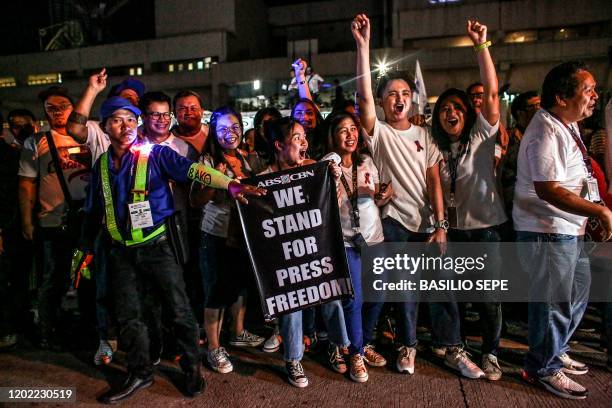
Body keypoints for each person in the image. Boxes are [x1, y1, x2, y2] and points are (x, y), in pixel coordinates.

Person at [83, 97, 264, 403]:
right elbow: (96, 210)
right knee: (130, 314)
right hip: (121, 251)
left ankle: (192, 367)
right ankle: (140, 371)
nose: (125, 126)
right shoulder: (102, 164)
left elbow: (194, 171)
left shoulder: (155, 154)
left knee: (179, 309)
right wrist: (86, 250)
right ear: (104, 127)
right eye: (116, 120)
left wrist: (229, 184)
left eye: (130, 119)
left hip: (158, 246)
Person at [352, 13, 484, 378]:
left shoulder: (425, 136)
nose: (399, 99)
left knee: (443, 288)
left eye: (404, 94)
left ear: (412, 101)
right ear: (383, 101)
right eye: (392, 94)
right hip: (394, 223)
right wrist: (363, 46)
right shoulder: (378, 133)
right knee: (406, 290)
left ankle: (453, 348)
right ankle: (407, 345)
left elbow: (434, 182)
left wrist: (441, 225)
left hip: (428, 225)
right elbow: (362, 95)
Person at [514, 60, 612, 399]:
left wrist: (589, 215)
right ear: (561, 97)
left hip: (569, 228)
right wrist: (599, 210)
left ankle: (553, 351)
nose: (595, 96)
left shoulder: (566, 124)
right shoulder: (545, 131)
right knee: (553, 302)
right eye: (588, 91)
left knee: (577, 296)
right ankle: (542, 367)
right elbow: (549, 189)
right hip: (547, 231)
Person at [431, 19, 505, 381]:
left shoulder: (482, 135)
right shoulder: (436, 149)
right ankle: (456, 348)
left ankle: (490, 353)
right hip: (453, 232)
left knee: (488, 299)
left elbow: (491, 94)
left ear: (468, 112)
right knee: (454, 296)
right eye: (444, 108)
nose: (451, 113)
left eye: (457, 107)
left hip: (485, 230)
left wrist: (481, 45)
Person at [260, 116, 350, 387]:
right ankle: (293, 359)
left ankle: (338, 345)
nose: (304, 142)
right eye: (296, 138)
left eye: (304, 137)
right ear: (278, 145)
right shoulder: (264, 180)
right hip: (287, 257)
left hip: (316, 250)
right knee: (291, 306)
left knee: (331, 294)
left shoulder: (313, 169)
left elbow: (336, 204)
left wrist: (334, 181)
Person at [190, 106, 265, 375]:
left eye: (235, 127)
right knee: (215, 291)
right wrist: (216, 181)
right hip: (216, 234)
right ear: (213, 131)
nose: (230, 133)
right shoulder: (207, 161)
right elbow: (195, 201)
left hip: (244, 235)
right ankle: (213, 347)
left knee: (239, 286)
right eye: (223, 128)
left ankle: (238, 331)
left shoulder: (249, 158)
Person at [18, 86, 92, 350]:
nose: (58, 111)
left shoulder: (89, 134)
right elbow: (27, 184)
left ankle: (87, 329)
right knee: (53, 278)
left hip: (88, 221)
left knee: (87, 279)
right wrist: (27, 221)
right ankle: (49, 332)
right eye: (51, 107)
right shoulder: (36, 142)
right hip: (53, 222)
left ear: (74, 108)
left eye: (63, 105)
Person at [327, 112, 392, 382]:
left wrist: (383, 195)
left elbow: (377, 195)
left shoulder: (366, 162)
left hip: (374, 239)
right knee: (354, 300)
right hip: (345, 241)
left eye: (353, 129)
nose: (350, 134)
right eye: (343, 130)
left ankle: (364, 343)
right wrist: (329, 176)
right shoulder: (328, 163)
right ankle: (354, 352)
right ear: (332, 136)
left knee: (379, 294)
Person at [0, 110, 37, 349]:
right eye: (15, 126)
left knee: (33, 276)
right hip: (13, 224)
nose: (20, 130)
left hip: (41, 220)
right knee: (13, 277)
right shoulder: (8, 154)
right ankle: (12, 325)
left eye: (25, 126)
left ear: (34, 125)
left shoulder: (39, 148)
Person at [500, 91, 541, 217]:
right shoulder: (507, 138)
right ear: (520, 113)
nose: (539, 110)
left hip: (541, 204)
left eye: (540, 105)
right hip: (516, 205)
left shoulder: (545, 136)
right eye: (534, 106)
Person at [172, 90, 209, 160]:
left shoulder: (215, 135)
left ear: (202, 112)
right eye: (182, 109)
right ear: (174, 113)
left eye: (193, 108)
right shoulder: (167, 143)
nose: (188, 112)